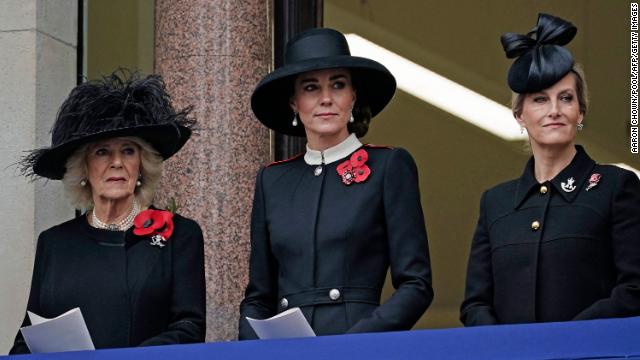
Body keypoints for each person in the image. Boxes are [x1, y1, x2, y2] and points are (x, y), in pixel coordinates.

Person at [238, 28, 433, 339]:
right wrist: (255, 348)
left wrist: (357, 342)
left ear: (353, 96)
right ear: (293, 102)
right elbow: (259, 297)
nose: (326, 98)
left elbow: (416, 285)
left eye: (338, 85)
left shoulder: (388, 166)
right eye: (311, 87)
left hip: (359, 346)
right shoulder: (272, 180)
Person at [460, 14, 640, 326]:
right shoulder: (495, 203)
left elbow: (635, 288)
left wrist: (567, 341)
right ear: (519, 115)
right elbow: (475, 303)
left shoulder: (616, 187)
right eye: (540, 99)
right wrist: (504, 347)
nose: (554, 110)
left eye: (566, 98)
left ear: (580, 111)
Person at [10, 70, 206, 354]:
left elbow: (189, 329)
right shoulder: (53, 243)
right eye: (102, 152)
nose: (116, 162)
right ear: (83, 169)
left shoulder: (180, 235)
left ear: (142, 165)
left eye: (128, 151)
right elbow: (26, 340)